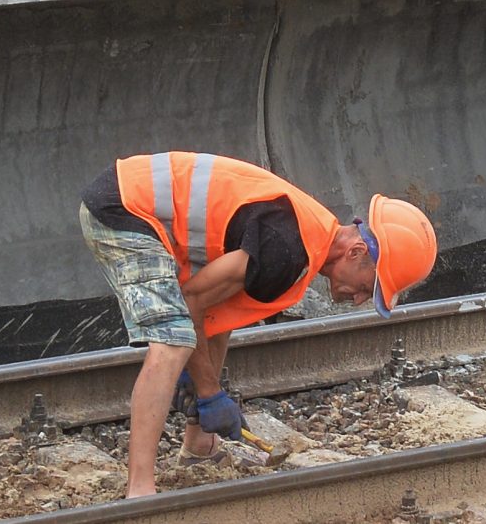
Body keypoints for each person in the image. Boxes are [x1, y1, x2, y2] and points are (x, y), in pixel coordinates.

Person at [79, 151, 438, 498]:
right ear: (357, 253)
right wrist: (208, 392)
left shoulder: (307, 238)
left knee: (192, 333)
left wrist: (204, 383)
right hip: (125, 209)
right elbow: (191, 301)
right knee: (172, 342)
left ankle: (199, 446)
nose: (360, 299)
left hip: (133, 200)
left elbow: (214, 312)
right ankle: (140, 491)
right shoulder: (286, 248)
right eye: (368, 287)